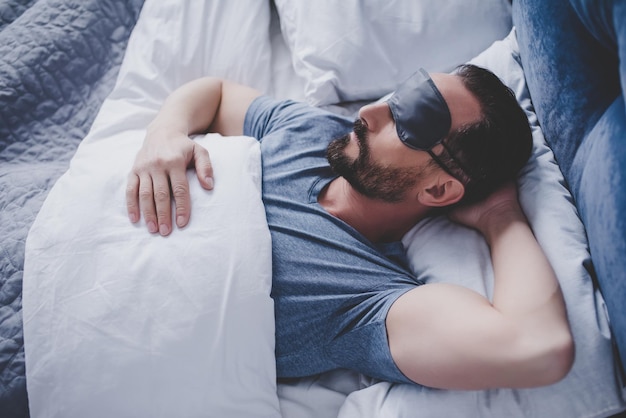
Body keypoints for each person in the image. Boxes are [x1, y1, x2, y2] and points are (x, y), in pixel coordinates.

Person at [126, 64, 574, 389]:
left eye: (409, 121)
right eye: (398, 94)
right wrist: (166, 132)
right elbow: (217, 92)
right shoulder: (311, 129)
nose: (370, 112)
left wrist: (501, 218)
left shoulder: (363, 299)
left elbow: (538, 347)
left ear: (439, 191)